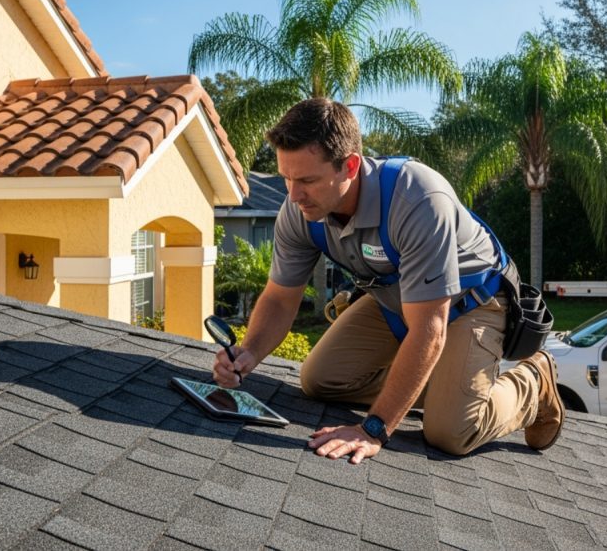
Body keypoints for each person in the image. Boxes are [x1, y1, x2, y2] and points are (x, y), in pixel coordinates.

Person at [211, 99, 563, 464]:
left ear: (349, 165)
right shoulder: (300, 212)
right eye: (286, 177)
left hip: (471, 301)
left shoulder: (418, 199)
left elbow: (429, 327)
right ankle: (447, 385)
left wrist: (373, 428)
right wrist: (249, 353)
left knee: (450, 431)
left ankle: (533, 382)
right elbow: (281, 299)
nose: (293, 194)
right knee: (319, 380)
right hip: (395, 298)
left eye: (307, 180)